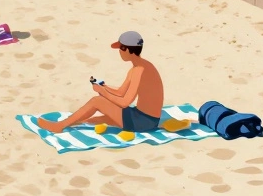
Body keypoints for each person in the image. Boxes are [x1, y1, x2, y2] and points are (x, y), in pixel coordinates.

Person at [36, 32, 190, 135]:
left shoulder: (139, 71)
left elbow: (124, 102)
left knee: (97, 102)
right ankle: (70, 122)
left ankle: (59, 126)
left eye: (121, 49)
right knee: (92, 119)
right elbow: (122, 92)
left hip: (143, 122)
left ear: (128, 50)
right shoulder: (139, 66)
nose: (119, 52)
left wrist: (102, 93)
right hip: (141, 116)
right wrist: (105, 87)